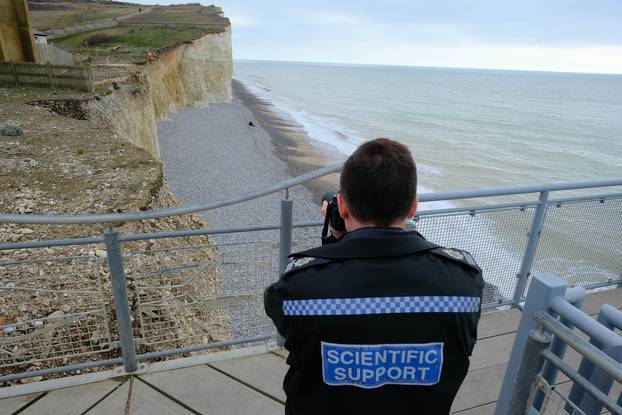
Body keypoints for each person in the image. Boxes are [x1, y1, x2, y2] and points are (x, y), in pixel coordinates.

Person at [264, 138, 484, 415]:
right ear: (413, 207)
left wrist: (335, 245)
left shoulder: (300, 287)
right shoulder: (463, 284)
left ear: (342, 208)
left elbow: (286, 325)